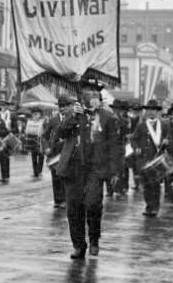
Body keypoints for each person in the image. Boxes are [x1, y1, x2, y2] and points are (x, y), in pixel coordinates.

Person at [55, 84, 122, 259]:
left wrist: (114, 171)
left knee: (92, 204)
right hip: (73, 167)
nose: (91, 98)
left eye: (94, 95)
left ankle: (94, 240)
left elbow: (115, 146)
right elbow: (61, 133)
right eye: (87, 94)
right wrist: (74, 117)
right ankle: (78, 245)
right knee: (73, 209)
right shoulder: (75, 115)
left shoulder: (108, 117)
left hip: (95, 168)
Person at [132, 99, 166, 217]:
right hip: (145, 159)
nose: (151, 112)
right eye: (149, 110)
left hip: (157, 159)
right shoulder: (142, 125)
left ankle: (155, 207)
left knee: (155, 184)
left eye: (154, 110)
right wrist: (136, 147)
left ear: (157, 112)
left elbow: (169, 137)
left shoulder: (163, 124)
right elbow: (133, 138)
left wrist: (167, 141)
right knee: (146, 185)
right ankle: (148, 206)